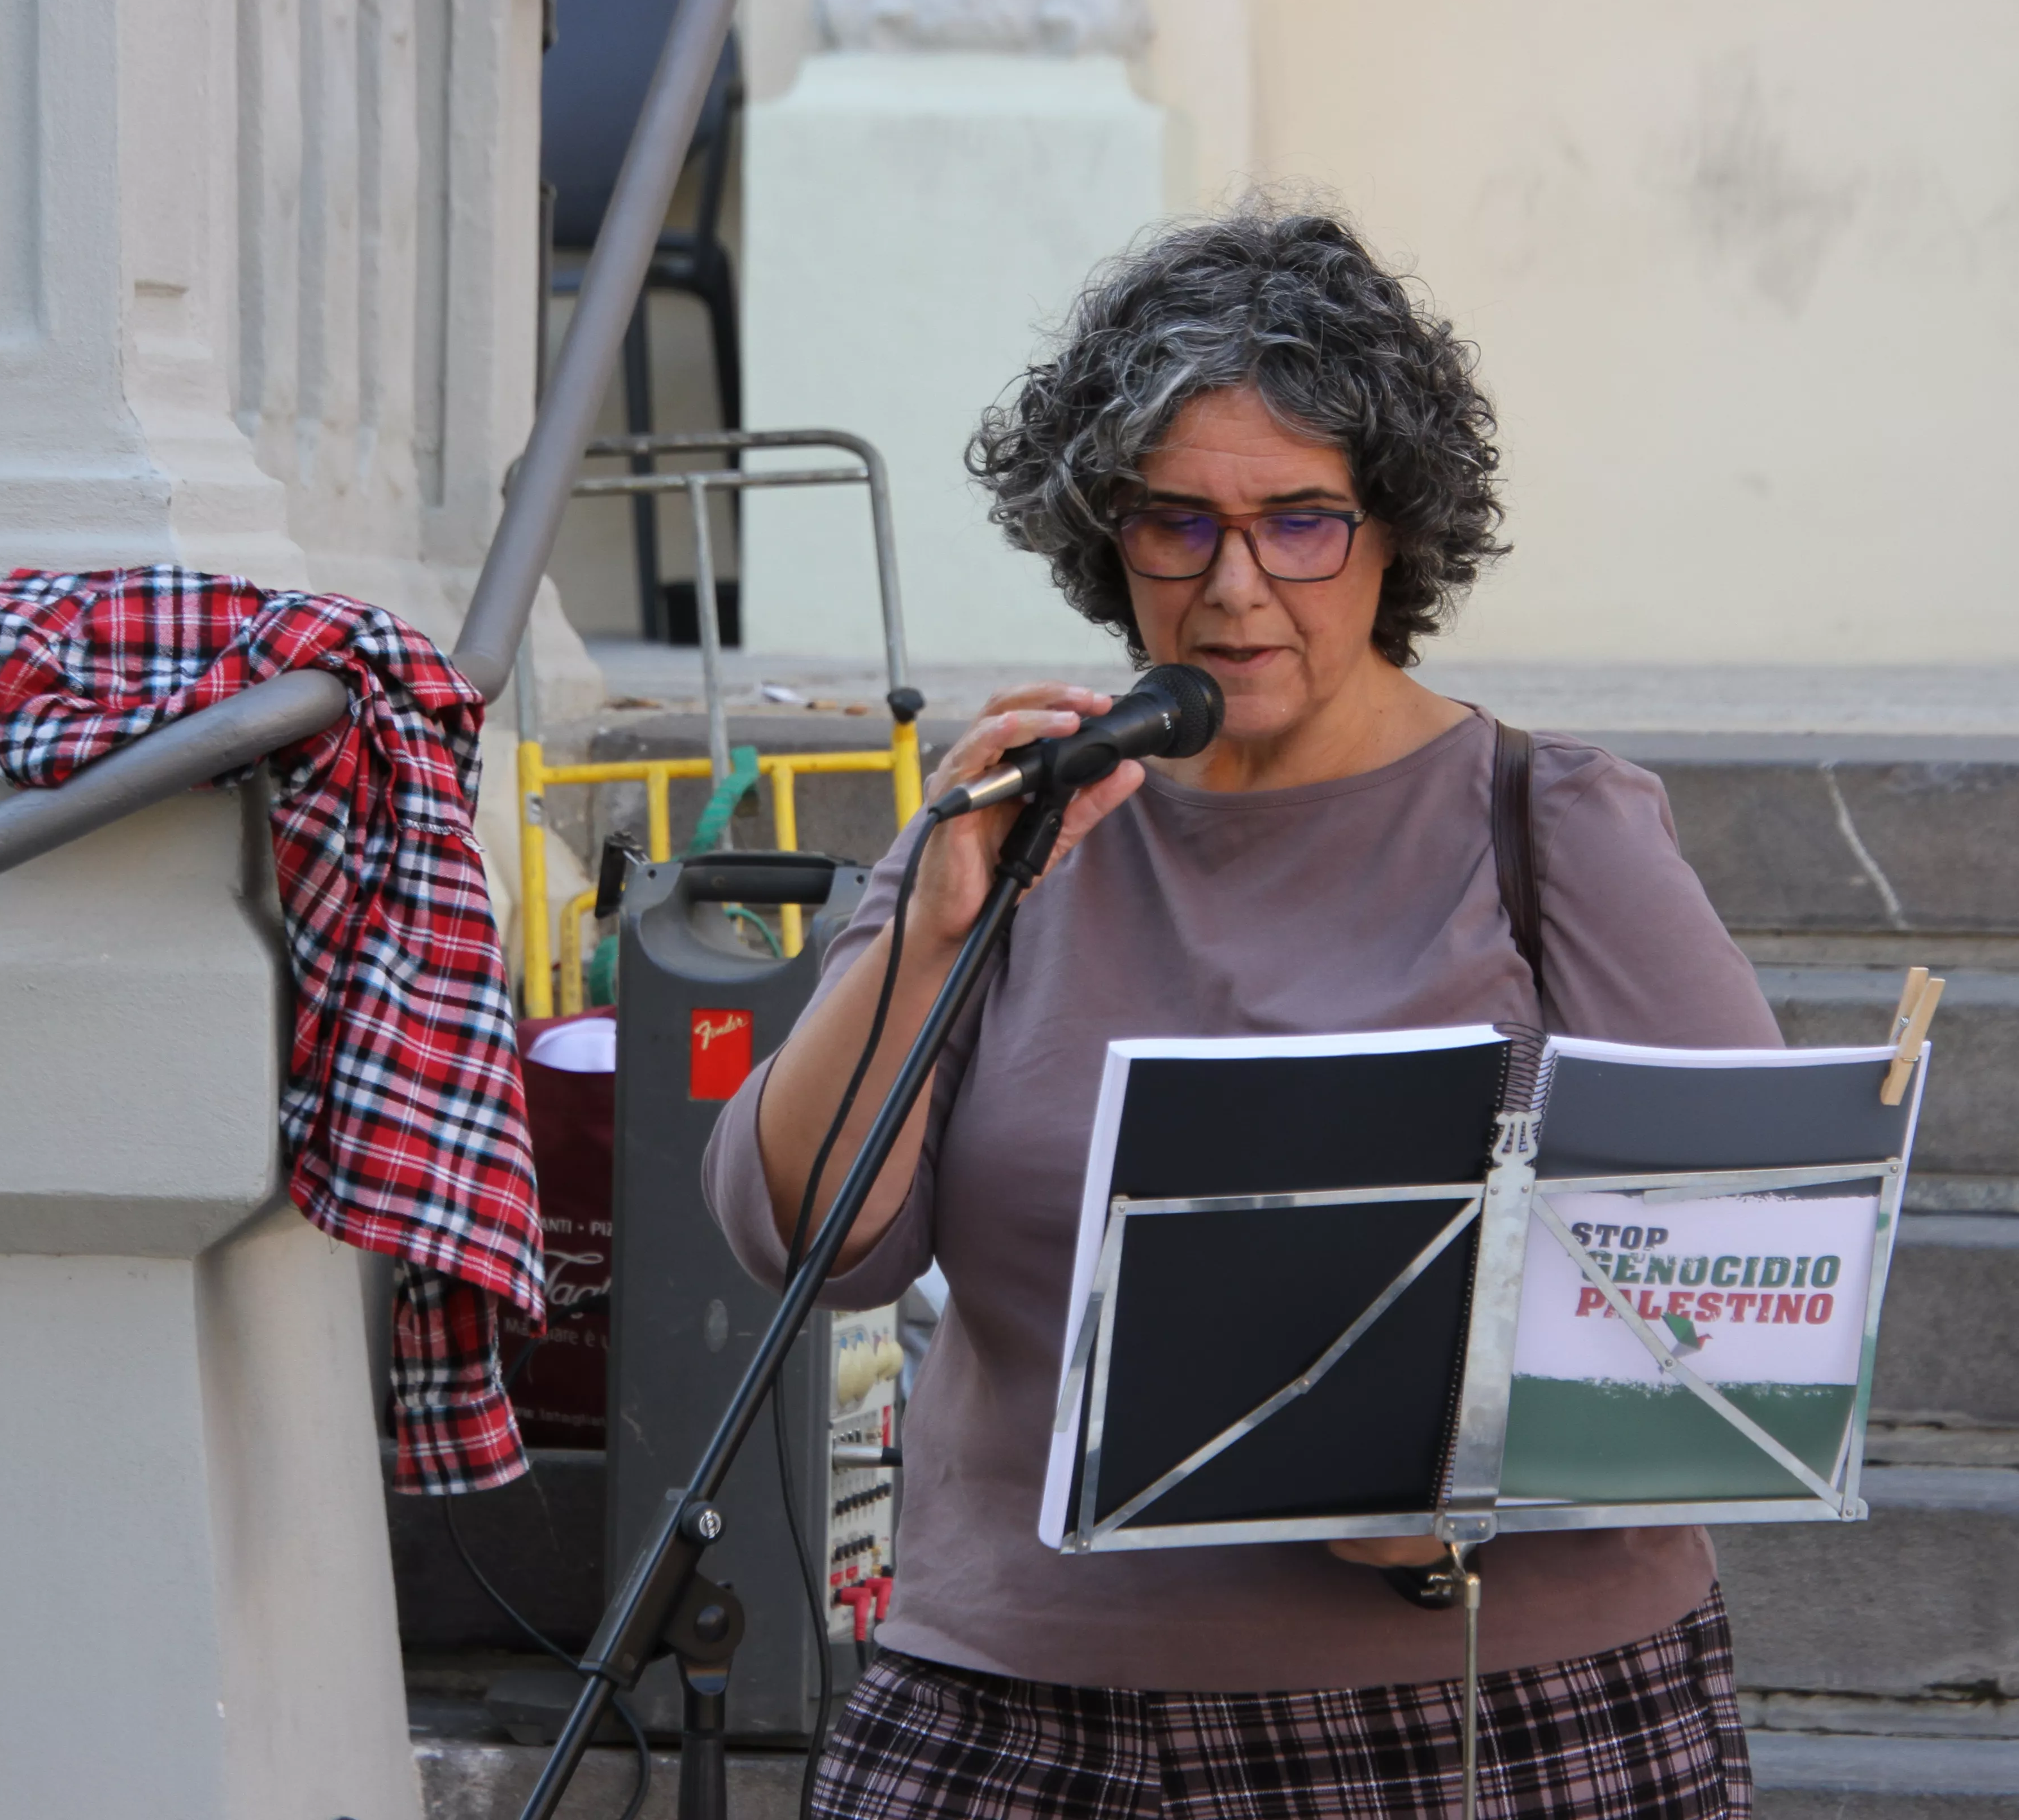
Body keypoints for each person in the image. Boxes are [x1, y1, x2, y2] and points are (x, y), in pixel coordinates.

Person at [703, 209, 1779, 1818]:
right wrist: (932, 927)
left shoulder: (1547, 825)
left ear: (1394, 532)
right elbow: (808, 1241)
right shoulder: (1017, 821)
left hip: (1481, 1712)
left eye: (1300, 523)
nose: (1235, 585)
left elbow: (1755, 1269)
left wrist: (1493, 1489)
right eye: (1175, 525)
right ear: (1103, 534)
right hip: (1016, 1698)